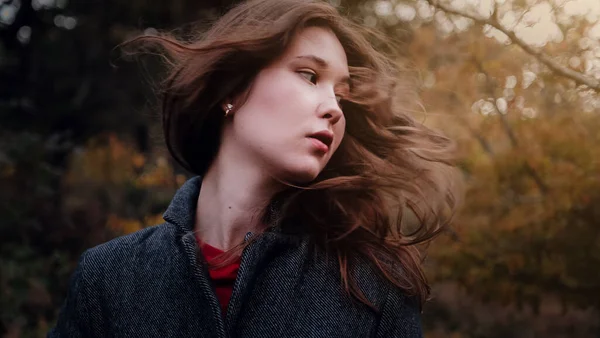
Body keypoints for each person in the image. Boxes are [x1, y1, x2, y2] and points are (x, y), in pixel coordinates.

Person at [48, 0, 461, 336]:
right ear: (232, 87)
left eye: (342, 95)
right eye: (308, 74)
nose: (334, 108)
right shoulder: (109, 278)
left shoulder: (372, 287)